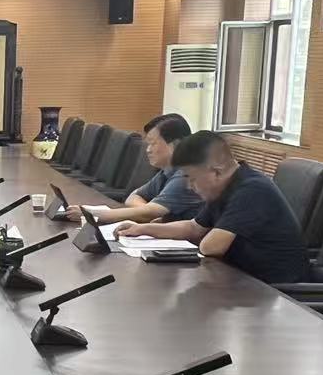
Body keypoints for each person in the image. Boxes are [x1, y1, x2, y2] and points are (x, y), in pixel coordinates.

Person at [121, 130, 309, 283]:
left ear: (216, 172)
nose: (189, 186)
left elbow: (211, 247)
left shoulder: (252, 189)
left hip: (275, 291)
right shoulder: (227, 185)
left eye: (192, 178)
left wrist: (196, 238)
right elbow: (193, 227)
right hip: (241, 279)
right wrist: (142, 229)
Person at [65, 113, 201, 225]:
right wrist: (146, 211)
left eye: (153, 143)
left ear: (175, 144)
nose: (148, 150)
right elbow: (134, 196)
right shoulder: (167, 171)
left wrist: (91, 214)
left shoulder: (186, 176)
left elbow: (150, 212)